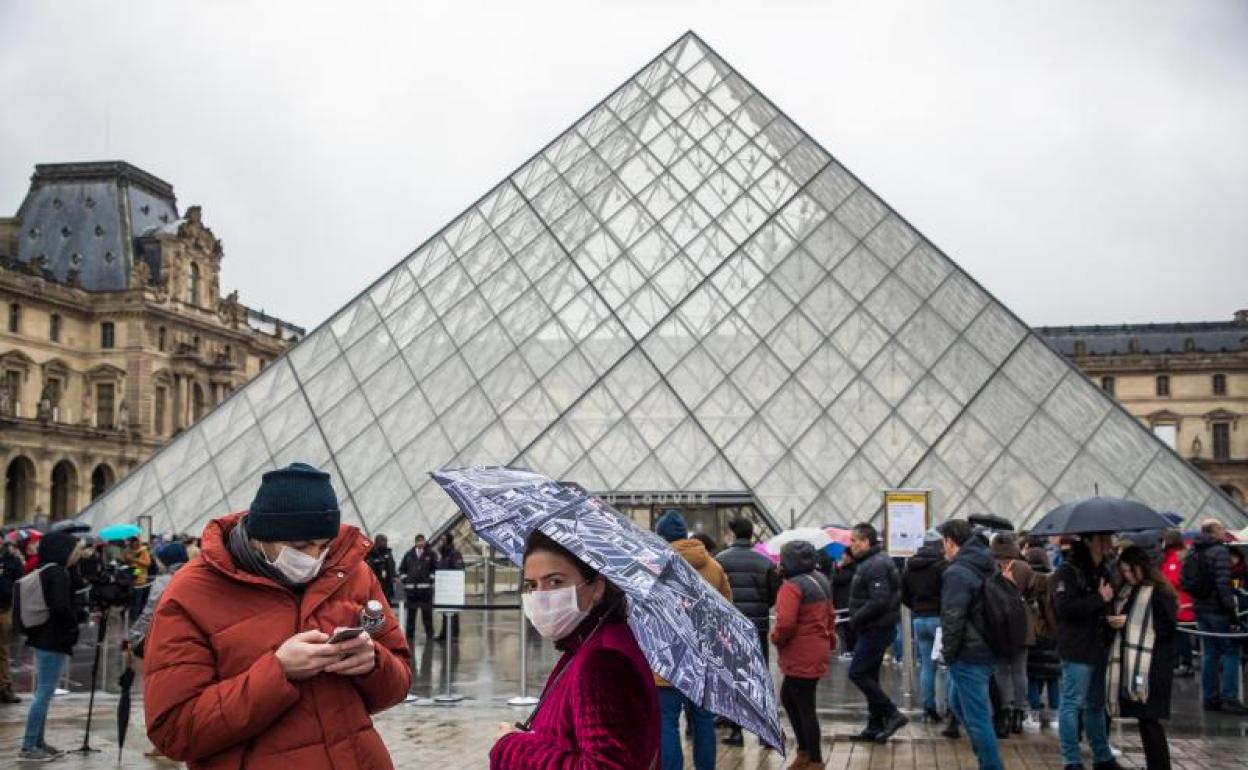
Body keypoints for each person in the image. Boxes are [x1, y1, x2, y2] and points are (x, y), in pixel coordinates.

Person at [142, 462, 412, 769]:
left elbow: (399, 683)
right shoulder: (190, 593)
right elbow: (174, 732)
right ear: (261, 536)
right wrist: (278, 672)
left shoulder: (353, 573)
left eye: (324, 545)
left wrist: (374, 663)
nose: (313, 558)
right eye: (300, 546)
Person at [490, 531, 660, 768]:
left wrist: (512, 747)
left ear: (597, 587)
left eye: (555, 582)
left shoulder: (603, 661)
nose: (540, 596)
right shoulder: (589, 644)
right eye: (532, 585)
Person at [654, 509, 731, 770]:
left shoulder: (657, 567)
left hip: (666, 658)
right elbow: (727, 611)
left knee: (667, 722)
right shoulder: (714, 567)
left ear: (662, 537)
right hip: (704, 658)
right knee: (703, 721)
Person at [12, 531, 85, 760]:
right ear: (63, 551)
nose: (78, 555)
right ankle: (29, 746)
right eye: (75, 551)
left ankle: (38, 741)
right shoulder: (57, 573)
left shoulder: (49, 569)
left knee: (45, 691)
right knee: (44, 693)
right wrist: (73, 624)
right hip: (52, 638)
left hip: (45, 636)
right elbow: (61, 607)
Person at [1054, 532, 1122, 770]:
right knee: (1072, 703)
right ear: (1089, 541)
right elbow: (1065, 609)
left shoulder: (1105, 570)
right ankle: (1072, 760)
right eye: (1103, 539)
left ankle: (1102, 756)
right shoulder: (1068, 571)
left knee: (1096, 705)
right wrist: (1099, 599)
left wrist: (1111, 615)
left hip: (1100, 644)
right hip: (1077, 647)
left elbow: (1105, 603)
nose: (1108, 543)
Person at [939, 520, 1002, 770]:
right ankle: (985, 756)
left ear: (950, 542)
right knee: (956, 703)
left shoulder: (957, 572)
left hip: (968, 652)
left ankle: (991, 765)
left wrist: (948, 653)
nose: (943, 548)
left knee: (978, 719)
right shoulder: (985, 563)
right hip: (987, 645)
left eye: (944, 542)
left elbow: (953, 618)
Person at [1108, 546, 1177, 770]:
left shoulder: (1158, 591)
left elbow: (1167, 627)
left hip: (1153, 665)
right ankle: (1155, 764)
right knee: (1145, 719)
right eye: (1124, 571)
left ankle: (1159, 766)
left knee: (1149, 719)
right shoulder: (1129, 590)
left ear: (1141, 567)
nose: (1127, 575)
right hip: (1138, 664)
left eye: (1130, 570)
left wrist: (1128, 623)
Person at [714, 517, 780, 747]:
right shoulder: (765, 563)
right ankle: (767, 732)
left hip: (731, 627)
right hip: (758, 625)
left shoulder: (721, 560)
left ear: (732, 534)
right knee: (760, 677)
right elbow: (773, 596)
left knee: (733, 676)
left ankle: (737, 731)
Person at [771, 541, 835, 770]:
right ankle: (805, 752)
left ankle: (813, 759)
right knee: (790, 698)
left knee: (804, 706)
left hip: (800, 652)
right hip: (816, 648)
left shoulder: (792, 586)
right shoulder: (821, 580)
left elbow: (786, 623)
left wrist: (775, 637)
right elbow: (830, 614)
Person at [846, 522, 907, 743]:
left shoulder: (875, 564)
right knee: (870, 675)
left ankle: (892, 713)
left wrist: (856, 618)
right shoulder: (871, 562)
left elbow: (879, 600)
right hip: (874, 626)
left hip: (876, 627)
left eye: (854, 541)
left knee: (857, 673)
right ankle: (874, 725)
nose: (851, 545)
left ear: (865, 542)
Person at [1184, 519, 1246, 713]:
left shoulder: (1193, 551)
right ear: (1212, 531)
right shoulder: (1219, 552)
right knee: (1230, 651)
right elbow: (1223, 584)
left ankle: (1210, 698)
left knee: (1209, 653)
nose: (1223, 530)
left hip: (1200, 608)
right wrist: (1231, 610)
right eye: (1220, 528)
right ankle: (1230, 697)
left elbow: (1186, 580)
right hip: (1218, 609)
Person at [991, 531, 1036, 736]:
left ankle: (1005, 711)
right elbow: (1032, 595)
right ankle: (1019, 713)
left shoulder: (992, 566)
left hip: (998, 624)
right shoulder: (1024, 568)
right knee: (1020, 671)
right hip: (1022, 624)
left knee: (1001, 670)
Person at [901, 528, 947, 723]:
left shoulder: (910, 567)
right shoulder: (943, 566)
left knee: (927, 665)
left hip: (919, 619)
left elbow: (904, 595)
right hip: (939, 619)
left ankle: (928, 709)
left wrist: (917, 607)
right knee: (945, 665)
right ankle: (946, 708)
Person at [128, 542, 191, 656]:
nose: (157, 563)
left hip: (166, 638)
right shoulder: (192, 576)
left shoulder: (162, 581)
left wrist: (133, 635)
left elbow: (149, 613)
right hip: (188, 638)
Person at [1023, 538, 1060, 730]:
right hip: (1053, 635)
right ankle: (1055, 716)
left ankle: (1034, 715)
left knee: (1033, 677)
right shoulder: (1054, 579)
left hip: (1033, 634)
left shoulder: (1028, 580)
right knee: (1053, 676)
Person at [1159, 530, 1195, 677]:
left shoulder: (1176, 557)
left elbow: (1174, 579)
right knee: (1179, 634)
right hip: (1176, 600)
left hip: (1181, 601)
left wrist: (1164, 583)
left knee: (1182, 635)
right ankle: (1178, 662)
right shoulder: (1170, 557)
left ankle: (1185, 663)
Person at [399, 533, 439, 640]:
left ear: (424, 542)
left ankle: (429, 635)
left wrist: (430, 579)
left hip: (426, 591)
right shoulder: (408, 555)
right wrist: (405, 579)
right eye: (419, 541)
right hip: (411, 591)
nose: (421, 543)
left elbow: (435, 568)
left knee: (427, 614)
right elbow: (402, 569)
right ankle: (409, 636)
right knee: (411, 615)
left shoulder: (430, 554)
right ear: (415, 542)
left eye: (422, 541)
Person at [0, 540, 25, 704]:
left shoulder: (11, 560)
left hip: (4, 608)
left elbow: (20, 582)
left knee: (3, 650)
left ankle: (4, 688)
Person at [433, 533, 465, 642]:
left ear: (448, 541)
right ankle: (444, 633)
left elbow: (459, 569)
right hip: (444, 586)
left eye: (443, 539)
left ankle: (454, 634)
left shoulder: (454, 554)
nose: (441, 542)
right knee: (444, 611)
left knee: (453, 612)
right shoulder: (442, 554)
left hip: (452, 587)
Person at [831, 550, 858, 658]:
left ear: (850, 557)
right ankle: (850, 650)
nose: (842, 557)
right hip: (843, 602)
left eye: (845, 555)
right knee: (846, 628)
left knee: (849, 628)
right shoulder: (846, 568)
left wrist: (838, 569)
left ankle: (852, 650)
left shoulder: (851, 569)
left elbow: (837, 579)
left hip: (846, 603)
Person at [124, 535, 153, 622]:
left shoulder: (143, 551)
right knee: (131, 601)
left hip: (140, 578)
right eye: (131, 543)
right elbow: (125, 560)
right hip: (130, 578)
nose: (133, 545)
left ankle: (137, 619)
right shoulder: (127, 551)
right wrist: (127, 558)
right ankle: (131, 617)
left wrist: (136, 559)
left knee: (138, 601)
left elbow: (148, 563)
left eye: (134, 543)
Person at [366, 533, 397, 604]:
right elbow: (368, 567)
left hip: (387, 586)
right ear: (376, 542)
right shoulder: (371, 553)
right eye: (382, 541)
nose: (384, 543)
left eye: (385, 541)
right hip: (374, 585)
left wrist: (393, 578)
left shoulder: (388, 554)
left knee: (386, 604)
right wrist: (378, 563)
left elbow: (392, 567)